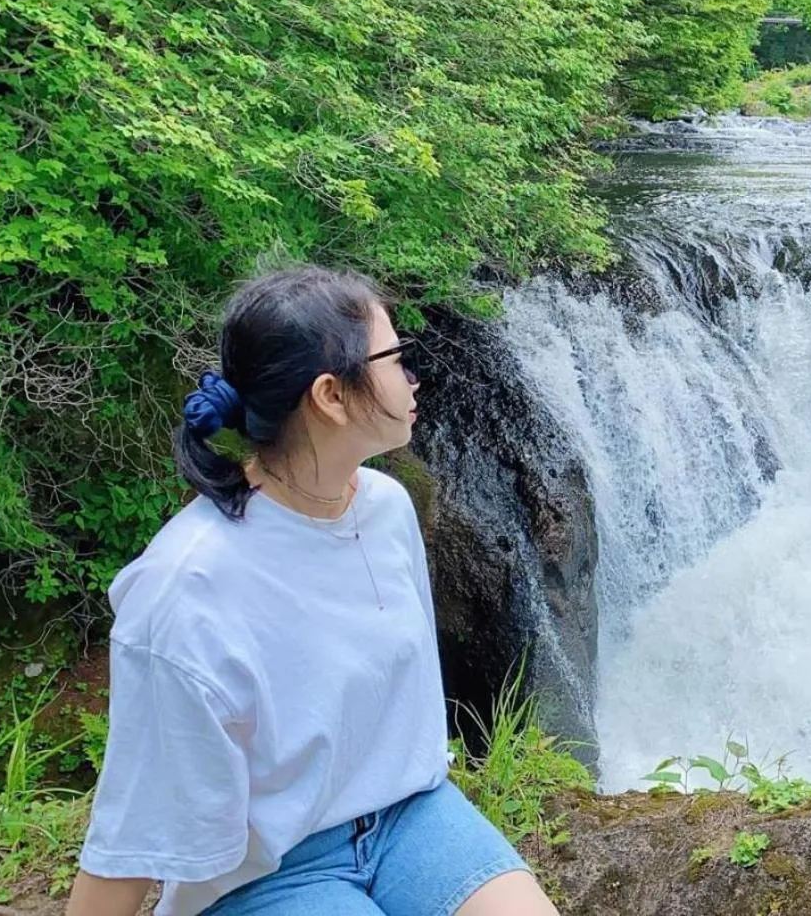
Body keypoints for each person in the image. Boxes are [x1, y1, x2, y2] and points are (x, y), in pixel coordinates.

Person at [66, 266, 559, 916]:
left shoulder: (386, 508)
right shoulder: (186, 590)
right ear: (330, 396)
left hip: (407, 815)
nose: (414, 378)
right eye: (396, 359)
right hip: (267, 872)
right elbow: (128, 838)